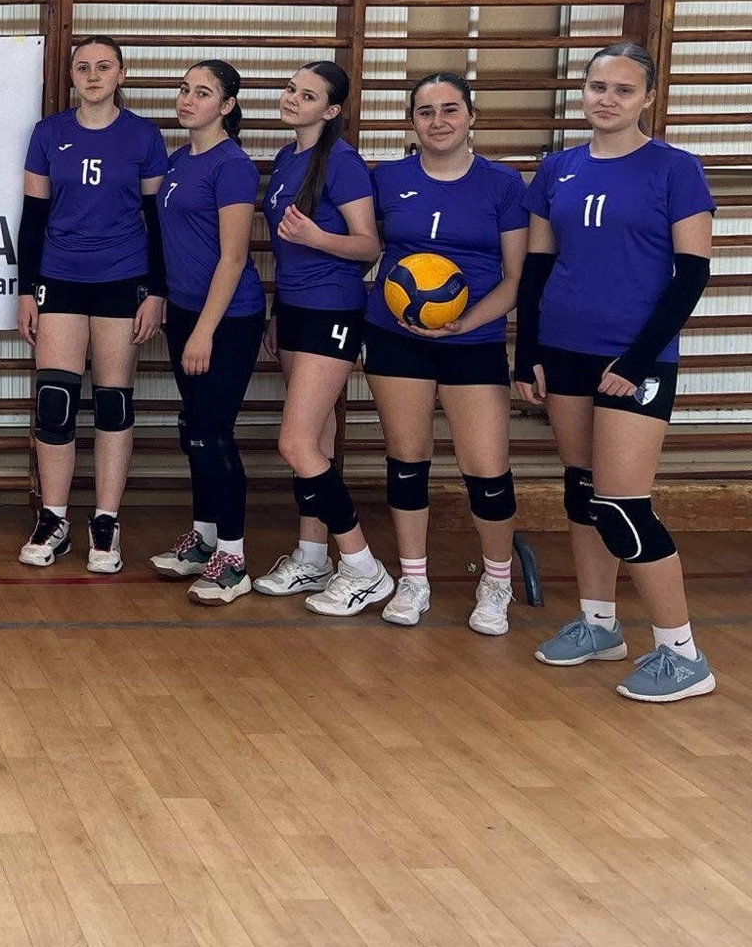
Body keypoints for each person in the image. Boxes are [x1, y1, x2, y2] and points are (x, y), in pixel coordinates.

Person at [517, 42, 716, 702]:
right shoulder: (558, 169)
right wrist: (527, 352)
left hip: (636, 358)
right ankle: (598, 624)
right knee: (582, 491)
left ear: (648, 98)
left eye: (623, 90)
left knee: (622, 504)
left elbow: (692, 275)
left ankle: (682, 654)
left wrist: (635, 361)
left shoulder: (675, 169)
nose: (607, 99)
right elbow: (538, 265)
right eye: (598, 86)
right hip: (564, 348)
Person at [362, 73, 527, 633]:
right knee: (407, 461)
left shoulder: (503, 184)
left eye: (450, 109)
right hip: (395, 335)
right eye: (426, 111)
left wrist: (465, 322)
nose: (438, 121)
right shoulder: (387, 179)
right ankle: (414, 580)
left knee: (486, 469)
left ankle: (497, 581)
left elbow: (515, 278)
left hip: (472, 340)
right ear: (412, 121)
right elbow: (365, 248)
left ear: (471, 116)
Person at [15, 35, 169, 573]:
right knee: (54, 400)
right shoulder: (49, 133)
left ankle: (106, 521)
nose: (93, 75)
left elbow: (157, 221)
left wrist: (156, 291)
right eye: (83, 67)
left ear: (122, 74)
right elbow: (33, 217)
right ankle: (53, 519)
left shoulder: (143, 135)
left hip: (122, 278)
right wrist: (26, 290)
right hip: (59, 277)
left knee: (112, 401)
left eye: (104, 66)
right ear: (72, 76)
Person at [251, 60, 394, 616]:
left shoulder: (344, 163)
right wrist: (277, 312)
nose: (292, 99)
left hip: (332, 309)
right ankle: (313, 556)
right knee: (317, 439)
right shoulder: (288, 158)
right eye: (291, 89)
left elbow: (369, 245)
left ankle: (363, 566)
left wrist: (316, 237)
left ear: (331, 110)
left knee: (295, 443)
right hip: (294, 310)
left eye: (307, 96)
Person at [147, 60, 265, 605]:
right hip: (185, 313)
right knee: (193, 429)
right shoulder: (177, 162)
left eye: (202, 92)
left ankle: (233, 562)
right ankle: (204, 539)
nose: (188, 99)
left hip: (227, 319)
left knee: (214, 434)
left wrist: (204, 332)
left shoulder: (233, 166)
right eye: (184, 89)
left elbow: (234, 257)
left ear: (227, 106)